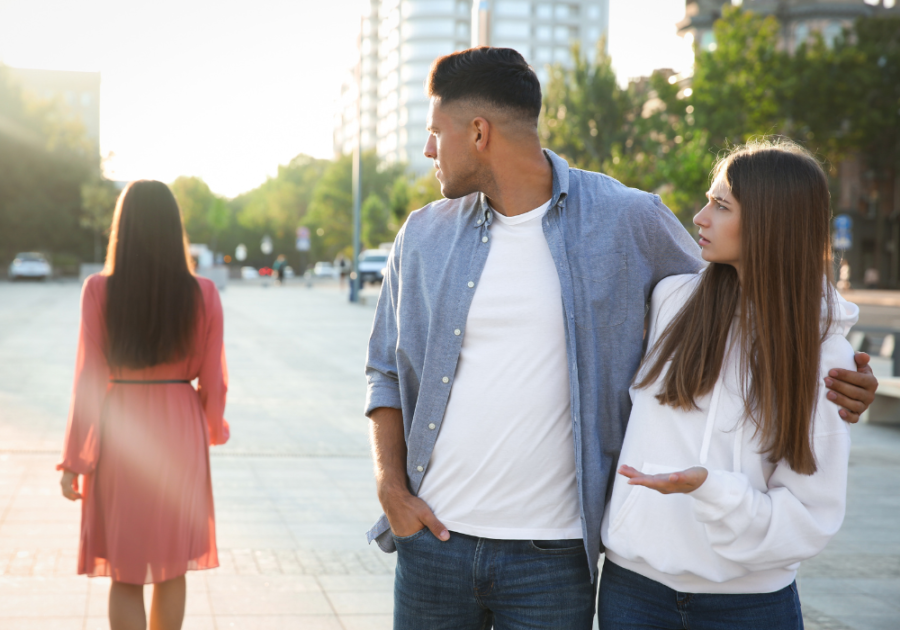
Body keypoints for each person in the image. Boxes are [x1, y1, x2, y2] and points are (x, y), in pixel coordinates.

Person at [364, 47, 877, 629]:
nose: (429, 148)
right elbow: (385, 368)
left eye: (436, 132)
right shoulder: (423, 235)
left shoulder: (628, 218)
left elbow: (745, 289)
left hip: (553, 558)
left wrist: (827, 362)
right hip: (435, 544)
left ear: (478, 132)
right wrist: (390, 488)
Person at [598, 140, 857, 628]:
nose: (699, 217)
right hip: (633, 589)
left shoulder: (823, 353)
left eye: (721, 206)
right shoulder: (671, 300)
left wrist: (713, 491)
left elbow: (813, 515)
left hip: (750, 604)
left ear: (771, 222)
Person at [58, 180, 229, 630]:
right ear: (175, 230)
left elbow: (87, 381)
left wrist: (75, 459)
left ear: (123, 228)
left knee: (125, 571)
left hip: (121, 431)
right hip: (179, 430)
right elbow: (214, 380)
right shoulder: (204, 294)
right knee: (172, 568)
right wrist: (211, 428)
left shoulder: (98, 291)